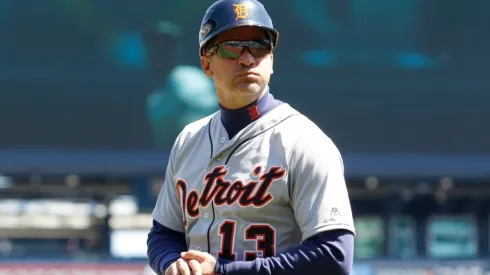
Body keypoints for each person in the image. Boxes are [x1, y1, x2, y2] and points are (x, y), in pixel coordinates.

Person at [147, 0, 356, 274]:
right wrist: (170, 263)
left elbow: (334, 255)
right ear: (206, 63)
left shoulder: (305, 142)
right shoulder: (189, 139)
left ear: (271, 61)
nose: (247, 58)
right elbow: (163, 234)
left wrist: (223, 271)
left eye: (259, 46)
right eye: (232, 46)